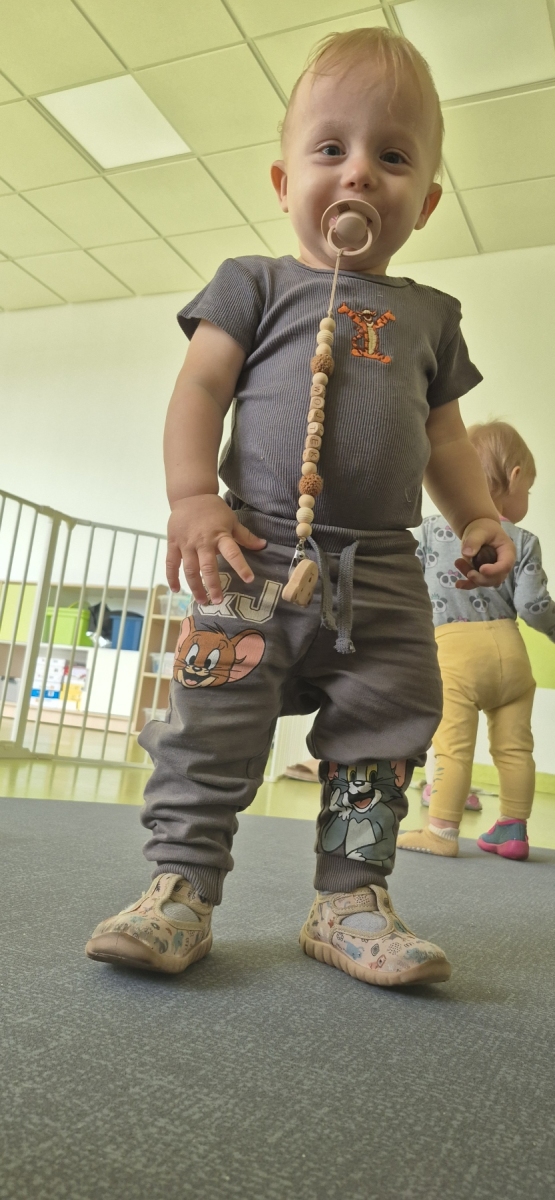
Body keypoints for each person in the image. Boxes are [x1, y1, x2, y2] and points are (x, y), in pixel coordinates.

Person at [85, 28, 515, 987]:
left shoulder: (431, 316)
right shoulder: (253, 284)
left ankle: (349, 901)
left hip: (386, 571)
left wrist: (478, 518)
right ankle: (180, 888)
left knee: (386, 728)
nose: (357, 172)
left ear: (425, 202)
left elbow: (446, 440)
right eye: (330, 149)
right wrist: (192, 497)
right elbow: (201, 390)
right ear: (285, 183)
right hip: (251, 550)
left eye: (391, 156)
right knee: (211, 719)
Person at [398, 421, 555, 861]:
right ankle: (513, 828)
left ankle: (441, 831)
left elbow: (408, 587)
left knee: (453, 746)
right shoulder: (523, 541)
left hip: (455, 653)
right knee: (515, 748)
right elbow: (533, 605)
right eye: (530, 489)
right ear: (516, 477)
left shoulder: (431, 532)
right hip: (511, 653)